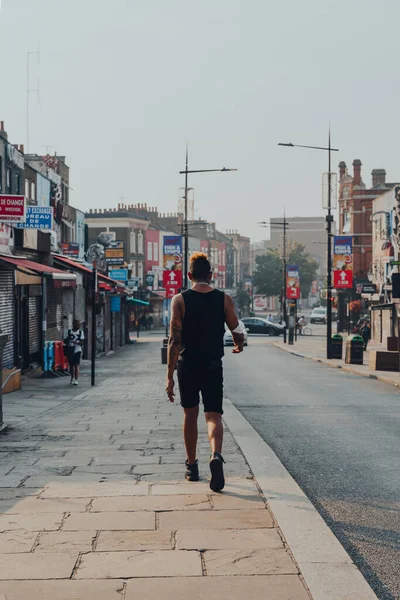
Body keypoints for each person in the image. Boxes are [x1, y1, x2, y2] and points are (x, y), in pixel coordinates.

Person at [166, 252, 244, 492]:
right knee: (213, 415)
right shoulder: (223, 299)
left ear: (189, 275)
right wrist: (238, 342)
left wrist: (169, 376)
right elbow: (235, 326)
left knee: (190, 415)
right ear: (210, 276)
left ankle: (192, 466)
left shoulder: (179, 300)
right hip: (213, 364)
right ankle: (216, 456)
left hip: (188, 364)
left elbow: (174, 340)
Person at [66, 320, 84, 386]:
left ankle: (76, 379)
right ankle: (72, 378)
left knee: (76, 365)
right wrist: (68, 339)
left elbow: (82, 342)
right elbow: (65, 340)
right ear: (73, 324)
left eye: (79, 324)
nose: (78, 326)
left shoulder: (80, 332)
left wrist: (76, 342)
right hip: (70, 350)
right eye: (77, 324)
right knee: (71, 365)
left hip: (77, 350)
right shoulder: (69, 332)